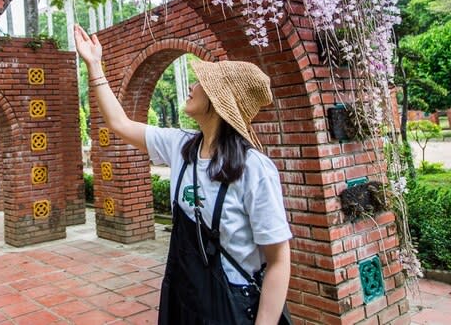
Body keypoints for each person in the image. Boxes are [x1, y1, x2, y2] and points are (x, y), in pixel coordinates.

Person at [74, 24, 292, 325]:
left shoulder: (254, 169)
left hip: (232, 301)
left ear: (218, 101)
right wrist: (94, 65)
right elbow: (119, 123)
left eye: (201, 83)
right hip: (184, 293)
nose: (192, 85)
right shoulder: (180, 146)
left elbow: (279, 261)